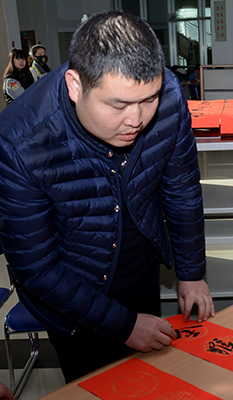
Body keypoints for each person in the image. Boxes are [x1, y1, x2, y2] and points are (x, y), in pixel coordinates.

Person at [0, 10, 214, 383]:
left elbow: (182, 189)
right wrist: (124, 325)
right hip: (71, 298)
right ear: (74, 85)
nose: (137, 119)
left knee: (152, 382)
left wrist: (192, 272)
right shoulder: (19, 140)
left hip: (140, 270)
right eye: (118, 105)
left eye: (148, 99)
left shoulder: (167, 95)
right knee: (96, 384)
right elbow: (37, 267)